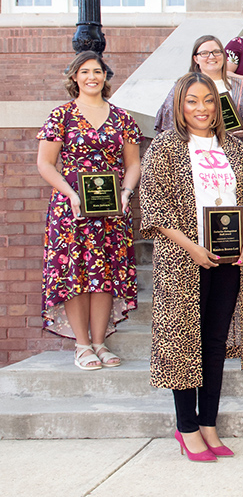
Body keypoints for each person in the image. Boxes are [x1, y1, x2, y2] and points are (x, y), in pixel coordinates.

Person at [140, 72, 243, 462]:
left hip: (227, 259)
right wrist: (191, 247)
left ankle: (208, 422)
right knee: (183, 343)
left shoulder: (233, 149)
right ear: (179, 105)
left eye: (208, 101)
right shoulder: (164, 147)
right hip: (182, 261)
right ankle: (186, 427)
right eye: (192, 101)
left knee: (212, 342)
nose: (202, 109)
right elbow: (154, 208)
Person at [36, 51, 141, 370]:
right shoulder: (61, 115)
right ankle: (82, 346)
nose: (92, 76)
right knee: (76, 275)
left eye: (97, 71)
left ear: (106, 76)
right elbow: (45, 163)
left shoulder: (123, 117)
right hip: (72, 210)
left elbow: (133, 163)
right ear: (74, 77)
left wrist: (126, 192)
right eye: (85, 71)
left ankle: (100, 342)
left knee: (105, 276)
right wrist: (70, 194)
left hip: (111, 210)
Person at [155, 35, 243, 139]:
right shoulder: (184, 86)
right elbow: (170, 119)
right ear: (196, 59)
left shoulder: (240, 85)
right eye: (204, 53)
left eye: (217, 52)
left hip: (234, 150)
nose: (212, 57)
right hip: (194, 149)